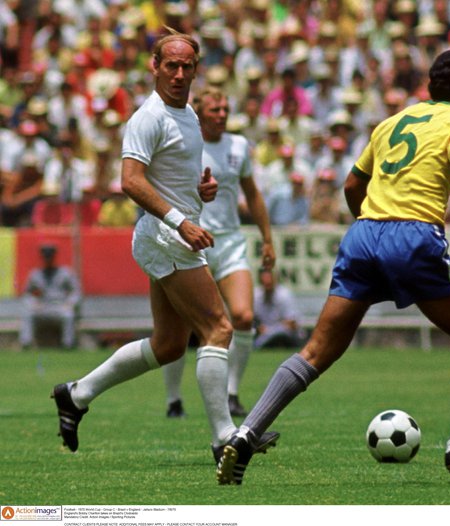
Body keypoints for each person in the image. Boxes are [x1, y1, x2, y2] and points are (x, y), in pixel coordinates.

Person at [216, 47, 450, 486]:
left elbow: (353, 184)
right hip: (413, 236)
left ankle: (245, 434)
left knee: (318, 350)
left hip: (363, 234)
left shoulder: (391, 123)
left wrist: (370, 223)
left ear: (430, 85)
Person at [50, 31, 277, 474]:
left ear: (195, 69)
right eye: (169, 65)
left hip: (171, 234)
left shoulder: (187, 113)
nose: (177, 73)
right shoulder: (147, 117)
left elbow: (169, 177)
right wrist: (181, 221)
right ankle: (224, 439)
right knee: (219, 328)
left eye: (186, 66)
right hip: (166, 236)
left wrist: (201, 192)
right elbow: (130, 180)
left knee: (170, 344)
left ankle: (76, 394)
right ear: (154, 66)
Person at [161, 86, 276, 419]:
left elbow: (252, 195)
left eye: (225, 109)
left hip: (229, 241)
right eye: (215, 110)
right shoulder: (184, 143)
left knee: (242, 316)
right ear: (199, 112)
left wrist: (267, 238)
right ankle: (173, 399)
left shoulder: (238, 146)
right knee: (182, 325)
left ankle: (233, 392)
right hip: (191, 241)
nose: (222, 115)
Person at [20, 244, 81, 349]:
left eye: (50, 256)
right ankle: (26, 344)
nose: (48, 259)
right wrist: (33, 303)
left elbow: (76, 291)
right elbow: (26, 294)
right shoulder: (36, 274)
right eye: (46, 256)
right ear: (42, 257)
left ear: (54, 257)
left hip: (60, 306)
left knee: (68, 315)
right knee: (28, 314)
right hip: (43, 307)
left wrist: (70, 303)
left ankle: (68, 345)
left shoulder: (65, 272)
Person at [253, 267, 306, 350]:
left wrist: (270, 331)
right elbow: (253, 320)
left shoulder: (284, 295)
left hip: (286, 335)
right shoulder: (256, 295)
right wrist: (258, 328)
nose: (267, 285)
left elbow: (291, 324)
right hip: (264, 337)